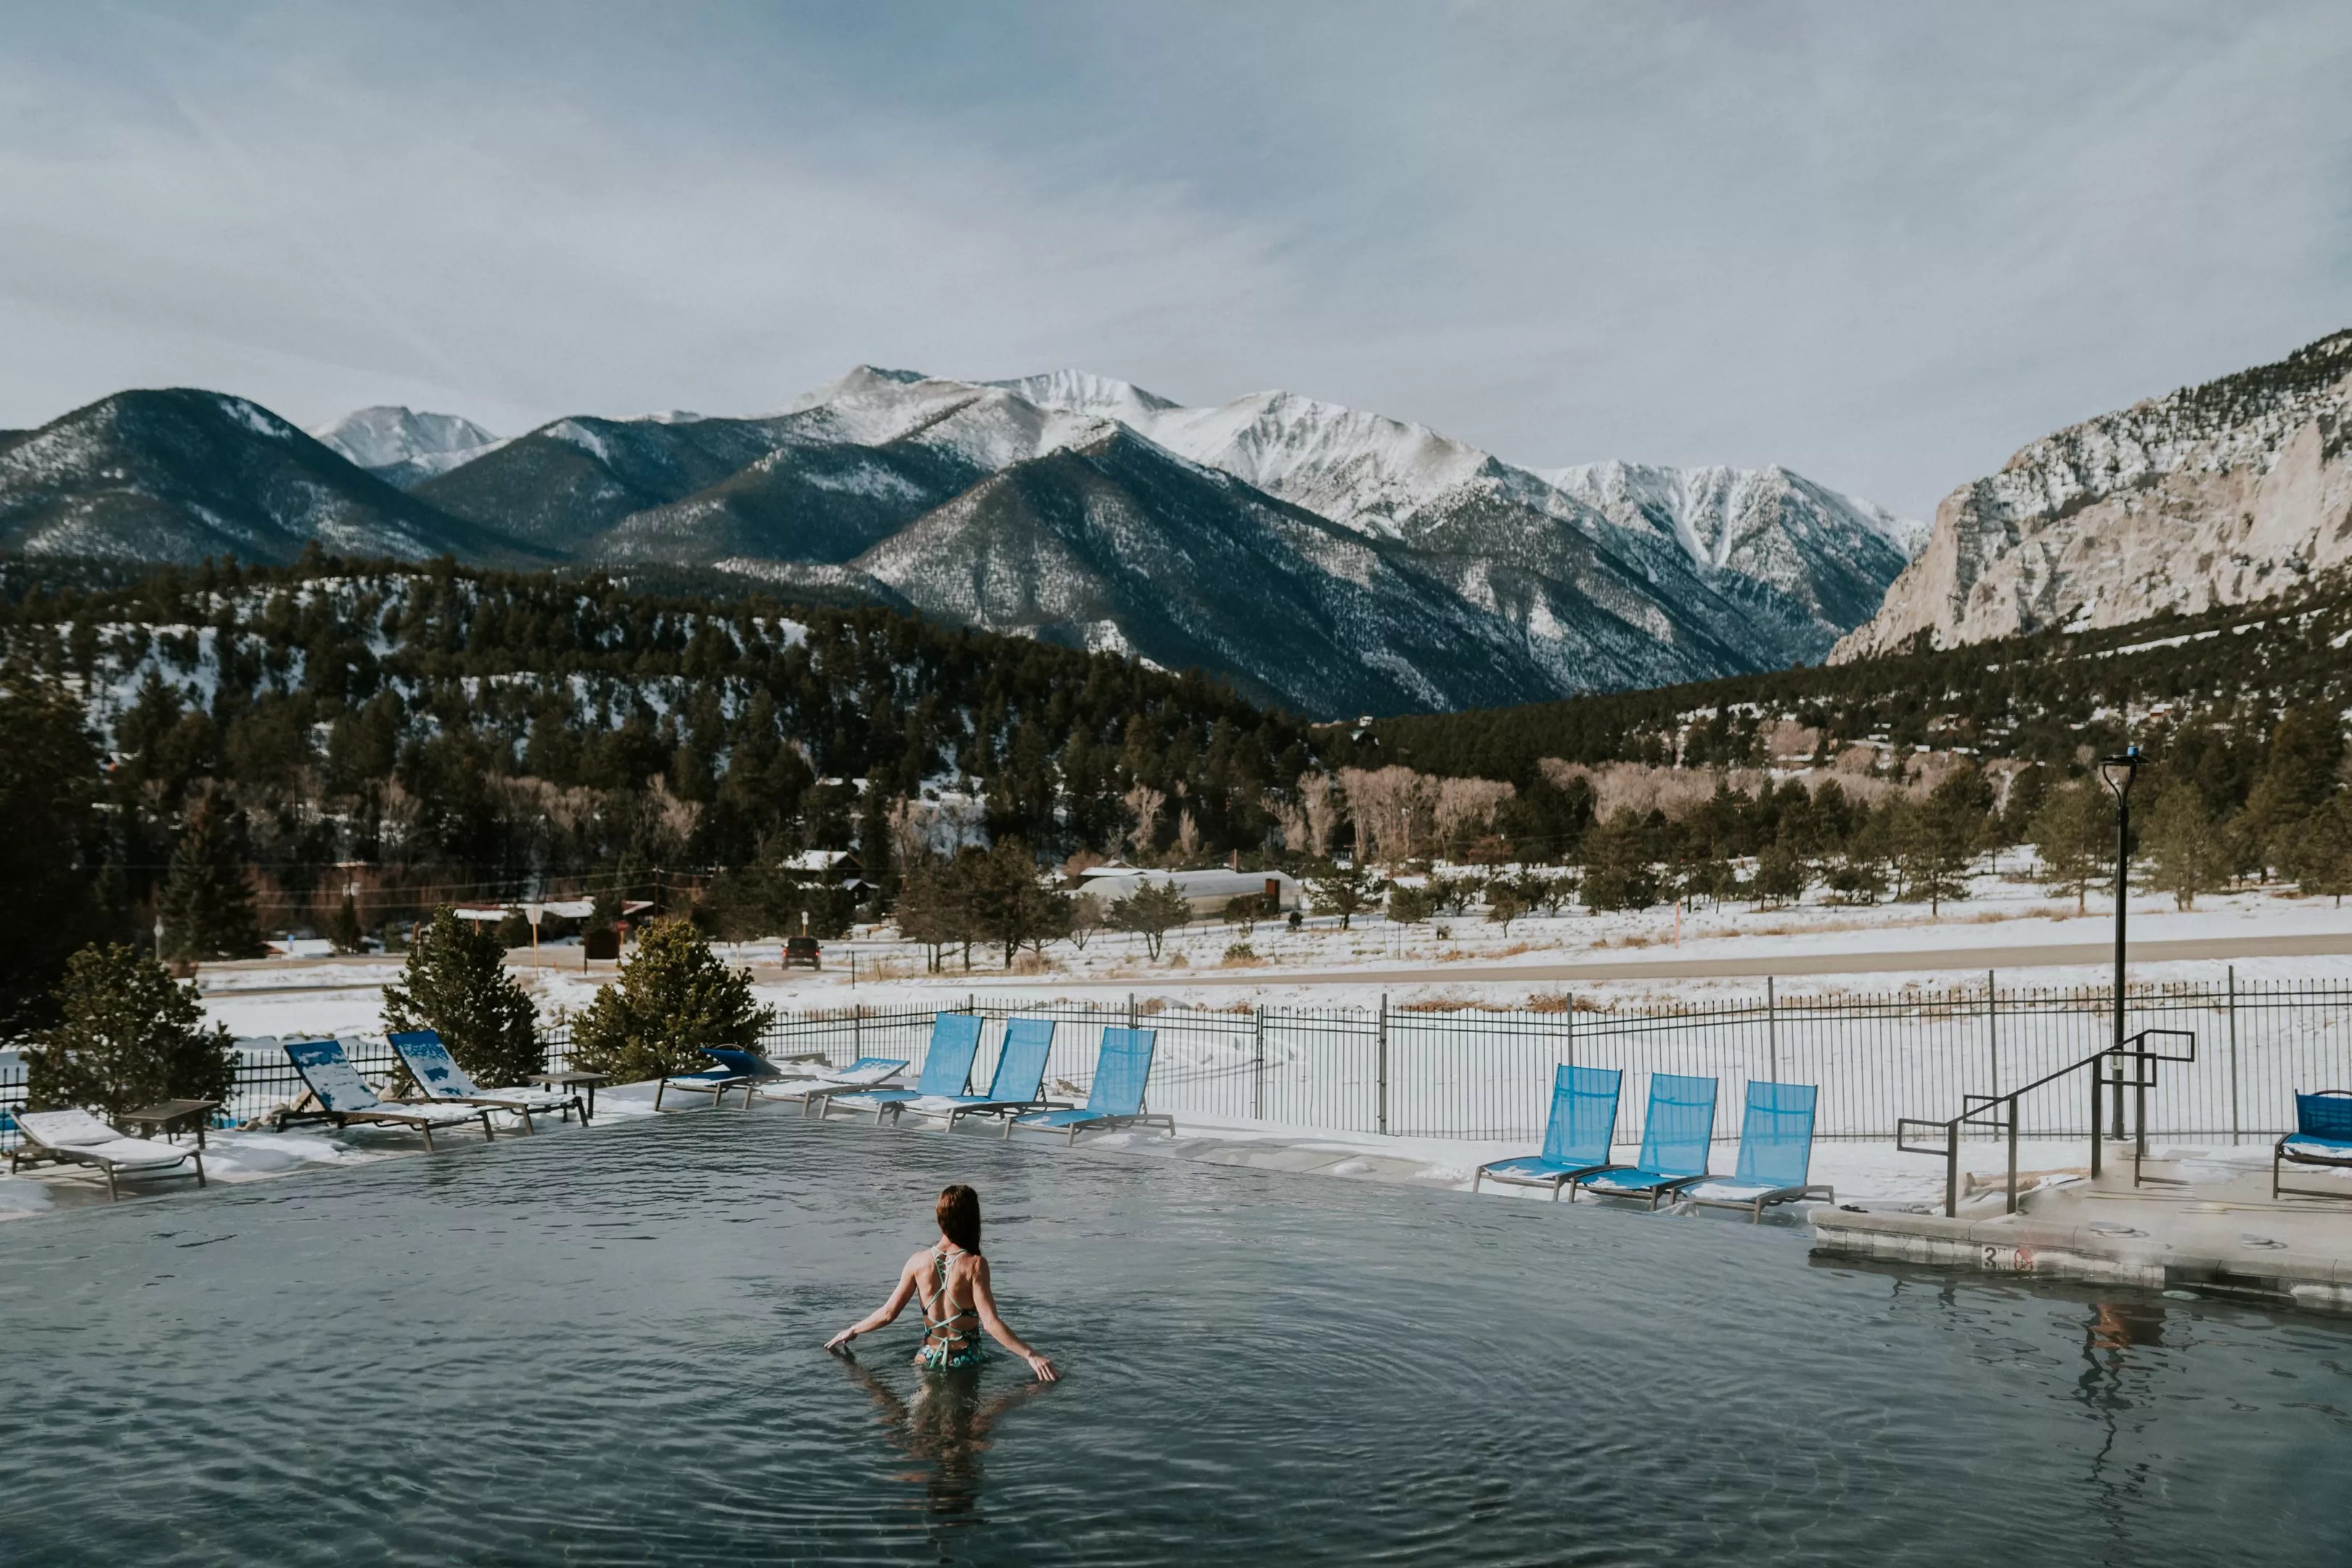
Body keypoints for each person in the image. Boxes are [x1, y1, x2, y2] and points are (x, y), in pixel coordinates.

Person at [826, 1184, 1058, 1381]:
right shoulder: (975, 1264)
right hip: (965, 1360)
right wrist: (1031, 1354)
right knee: (969, 1430)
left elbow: (888, 1313)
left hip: (927, 1356)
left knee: (922, 1426)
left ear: (940, 1219)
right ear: (972, 1221)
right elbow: (990, 1323)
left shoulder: (917, 1262)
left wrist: (852, 1329)